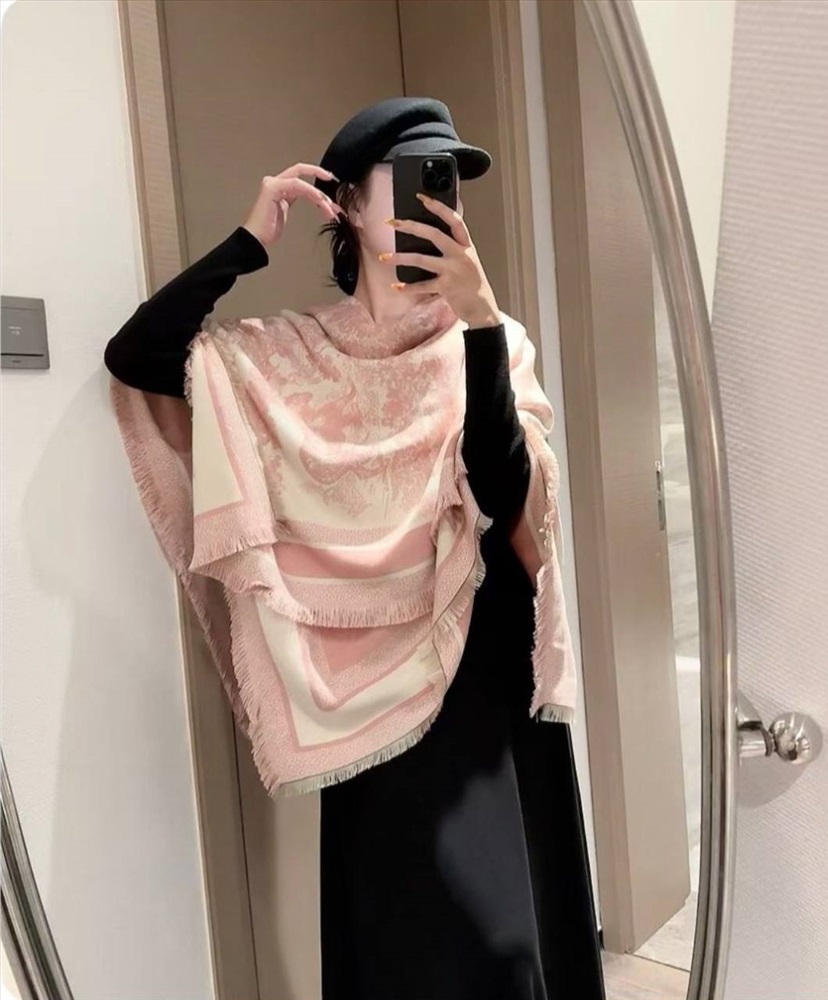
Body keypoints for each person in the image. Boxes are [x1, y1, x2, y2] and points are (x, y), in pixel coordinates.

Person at [105, 97, 604, 1000]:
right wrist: (249, 241)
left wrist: (480, 321)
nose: (435, 203)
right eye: (411, 182)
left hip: (483, 672)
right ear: (346, 206)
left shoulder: (493, 340)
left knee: (507, 942)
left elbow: (506, 493)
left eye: (448, 184)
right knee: (398, 936)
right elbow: (139, 355)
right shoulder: (288, 355)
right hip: (366, 694)